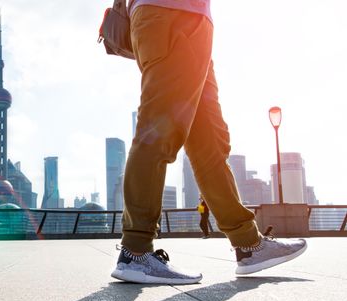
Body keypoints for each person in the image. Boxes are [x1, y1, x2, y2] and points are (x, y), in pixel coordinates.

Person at [111, 0, 307, 284]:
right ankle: (136, 251)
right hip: (170, 14)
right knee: (158, 132)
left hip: (192, 22)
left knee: (210, 145)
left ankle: (249, 245)